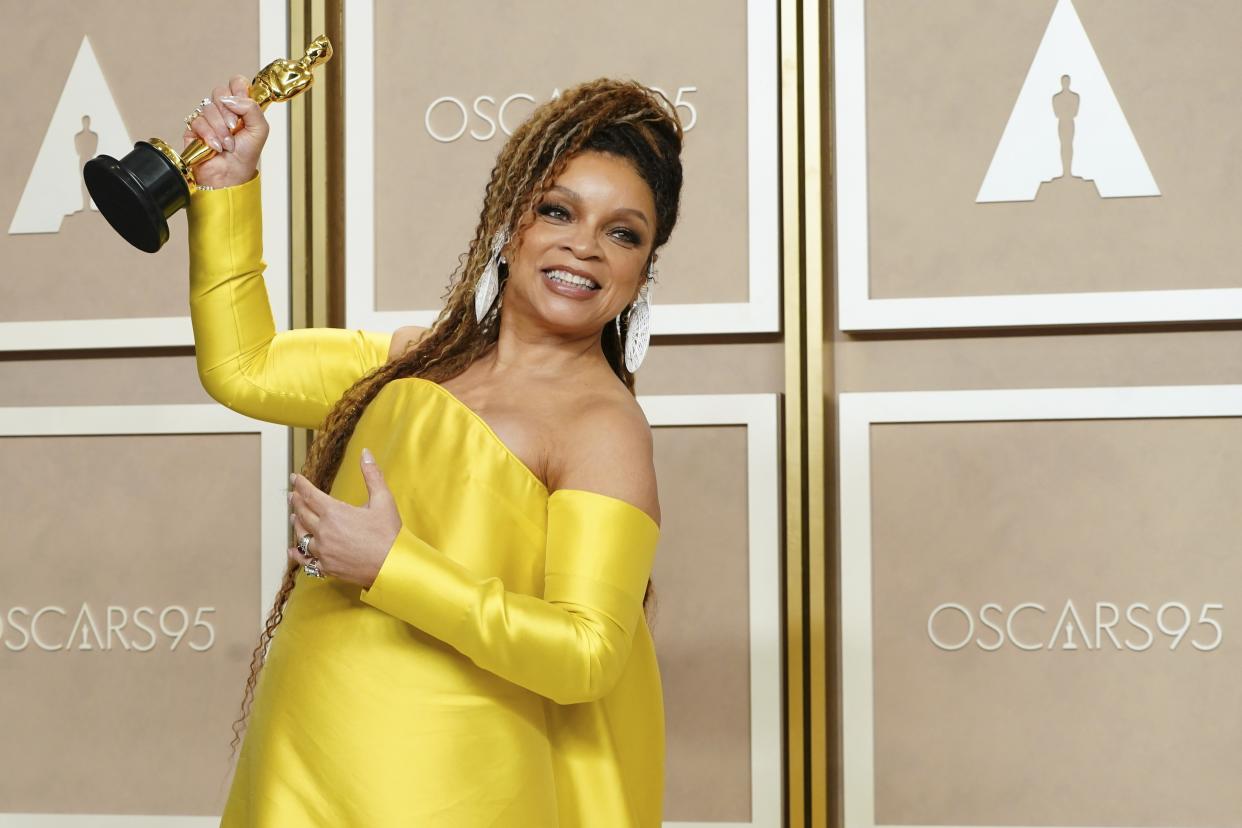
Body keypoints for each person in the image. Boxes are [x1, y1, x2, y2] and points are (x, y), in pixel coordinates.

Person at [183, 73, 684, 826]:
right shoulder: (416, 357)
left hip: (446, 781)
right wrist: (230, 186)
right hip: (305, 744)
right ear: (509, 224)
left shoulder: (601, 427)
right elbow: (242, 366)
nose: (584, 245)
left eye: (624, 232)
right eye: (557, 210)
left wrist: (393, 566)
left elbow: (586, 655)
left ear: (643, 271)